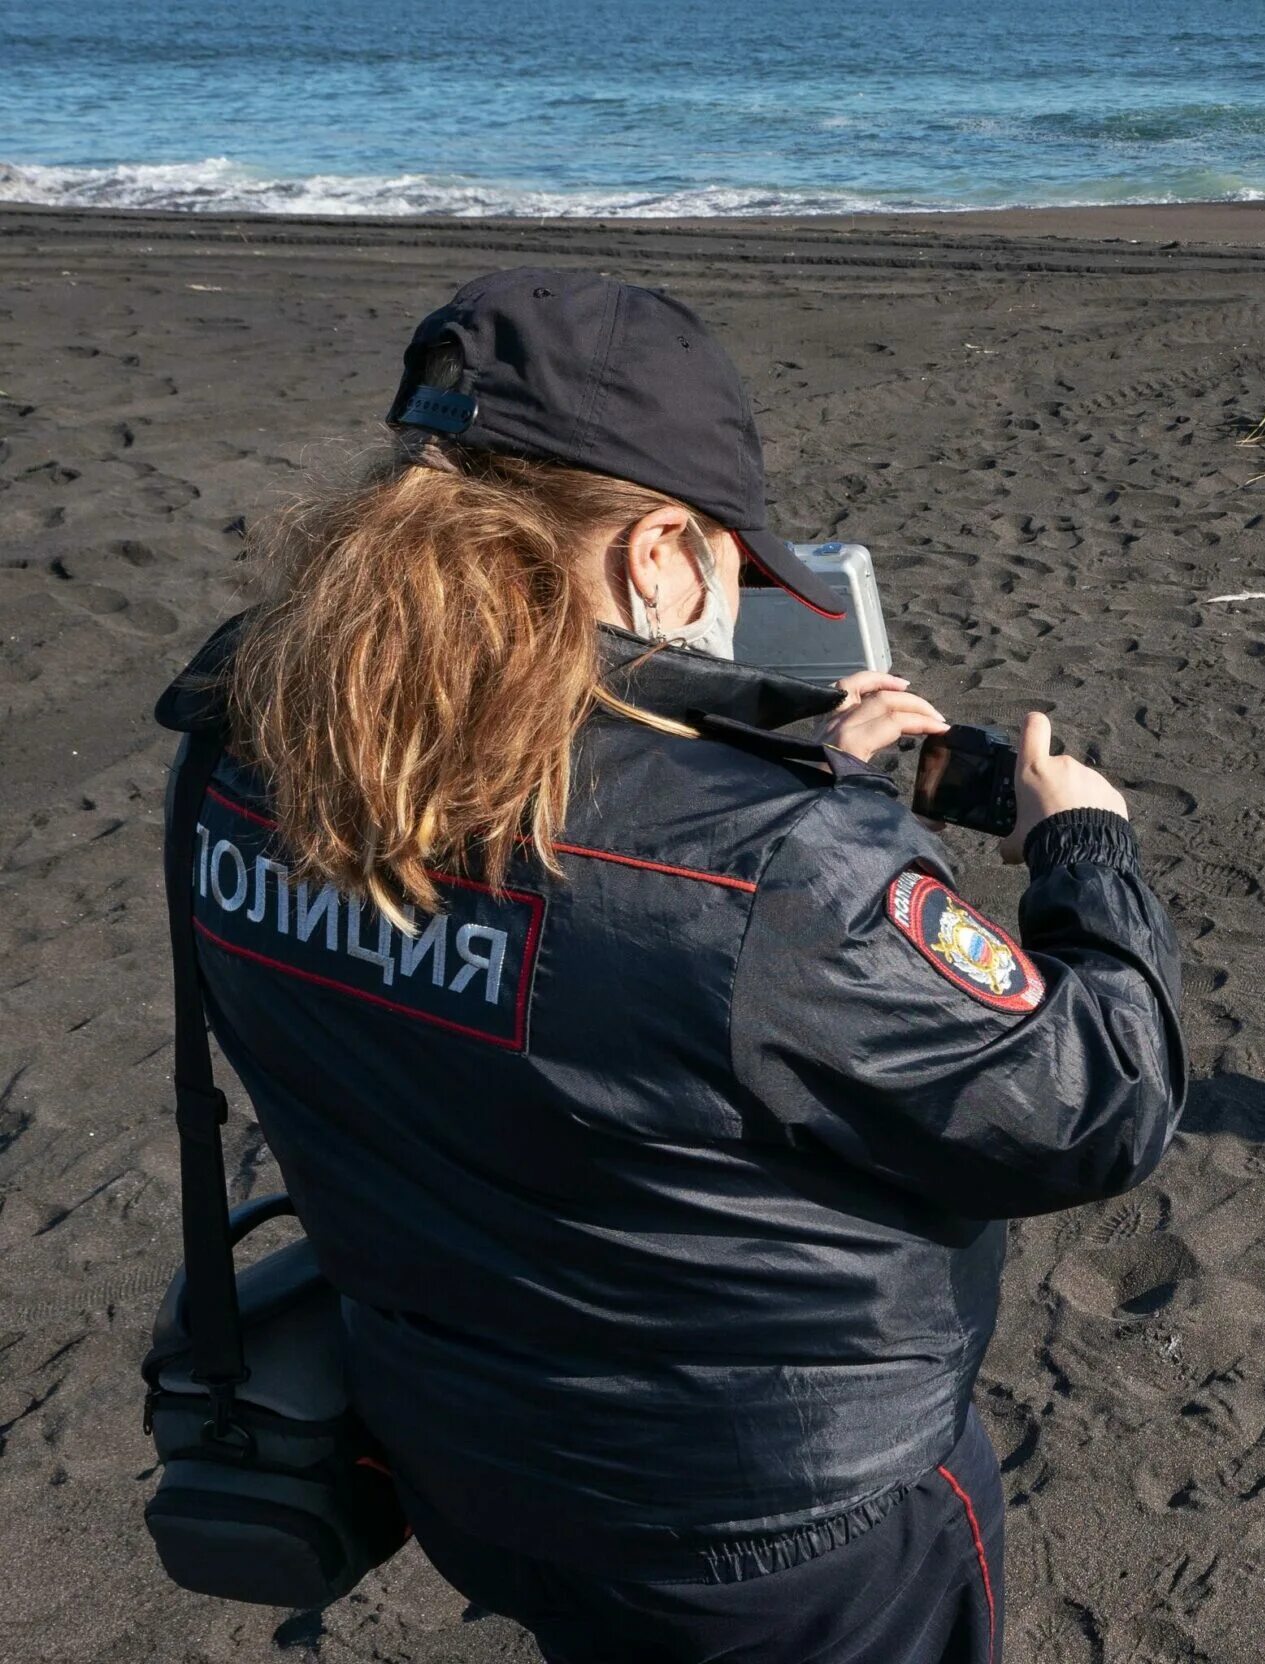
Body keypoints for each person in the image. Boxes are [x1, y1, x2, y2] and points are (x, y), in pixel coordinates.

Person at [152, 268, 1186, 1663]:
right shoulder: (781, 872)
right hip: (769, 1525)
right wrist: (1087, 856)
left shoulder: (249, 750)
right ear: (656, 556)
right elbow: (1090, 1106)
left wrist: (796, 781)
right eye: (729, 563)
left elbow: (549, 899)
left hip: (466, 1455)